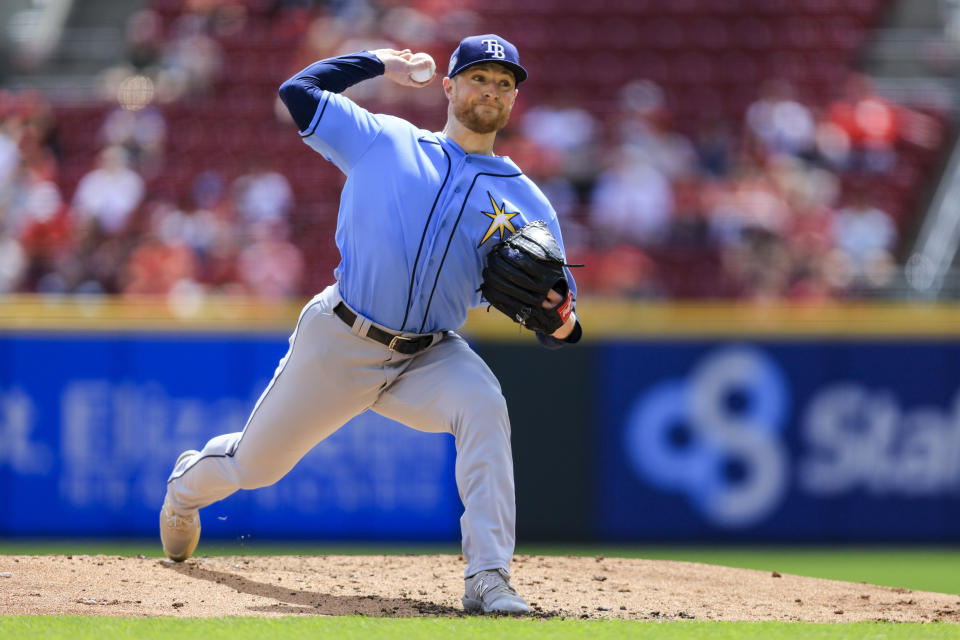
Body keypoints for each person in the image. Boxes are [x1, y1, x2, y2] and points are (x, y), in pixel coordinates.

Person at [159, 34, 581, 615]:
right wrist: (383, 63)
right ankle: (184, 490)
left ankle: (488, 577)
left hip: (429, 355)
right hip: (341, 338)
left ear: (512, 103)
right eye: (479, 77)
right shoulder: (384, 139)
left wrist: (558, 317)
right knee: (253, 466)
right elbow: (297, 91)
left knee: (483, 403)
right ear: (450, 86)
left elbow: (562, 322)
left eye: (504, 84)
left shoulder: (528, 201)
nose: (492, 90)